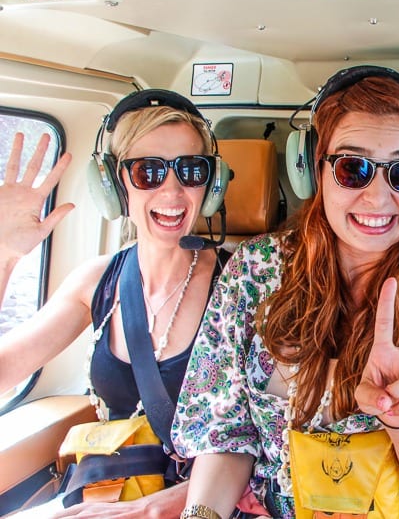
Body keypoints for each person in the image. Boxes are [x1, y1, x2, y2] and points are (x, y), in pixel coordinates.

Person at [171, 66, 399, 519]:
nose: (378, 198)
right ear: (313, 169)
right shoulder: (253, 272)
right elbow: (225, 437)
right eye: (354, 168)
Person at [0, 89, 231, 518]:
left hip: (203, 507)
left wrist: (151, 510)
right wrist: (4, 255)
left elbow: (264, 443)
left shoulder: (240, 284)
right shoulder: (98, 281)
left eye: (191, 170)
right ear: (113, 184)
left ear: (211, 183)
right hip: (103, 497)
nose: (173, 190)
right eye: (148, 172)